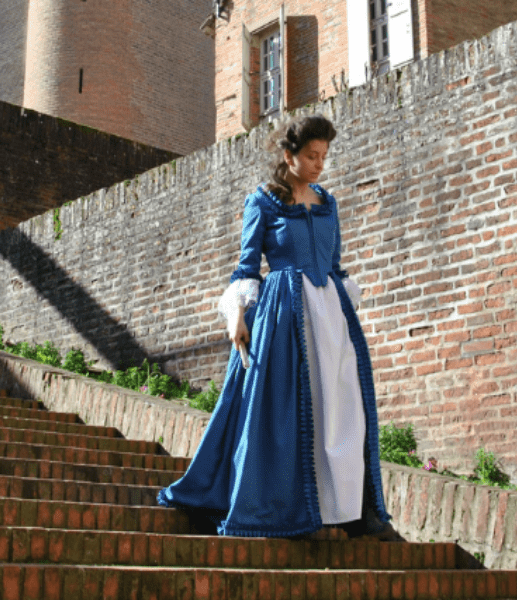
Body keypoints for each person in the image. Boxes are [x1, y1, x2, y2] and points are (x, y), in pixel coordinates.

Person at [158, 115, 403, 541]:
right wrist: (235, 314)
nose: (319, 164)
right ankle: (289, 513)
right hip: (284, 317)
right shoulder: (264, 202)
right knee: (291, 414)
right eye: (311, 156)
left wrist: (345, 306)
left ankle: (352, 512)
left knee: (343, 412)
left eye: (324, 156)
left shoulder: (328, 204)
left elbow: (335, 266)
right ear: (289, 156)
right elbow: (247, 267)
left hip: (331, 318)